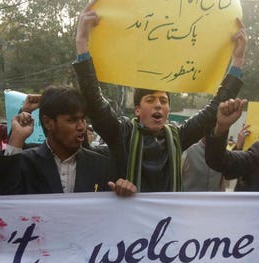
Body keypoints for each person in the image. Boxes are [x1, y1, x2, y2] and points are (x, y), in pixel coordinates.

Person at [73, 1, 248, 192]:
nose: (158, 105)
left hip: (168, 220)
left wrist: (237, 60)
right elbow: (94, 101)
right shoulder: (121, 133)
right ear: (137, 110)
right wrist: (82, 42)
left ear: (168, 110)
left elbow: (214, 109)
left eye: (163, 101)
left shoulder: (177, 137)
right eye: (150, 100)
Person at [0, 86, 136, 196]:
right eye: (72, 120)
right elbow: (4, 198)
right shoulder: (26, 163)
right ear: (48, 122)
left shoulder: (102, 166)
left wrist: (124, 192)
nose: (81, 127)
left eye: (83, 119)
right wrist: (16, 138)